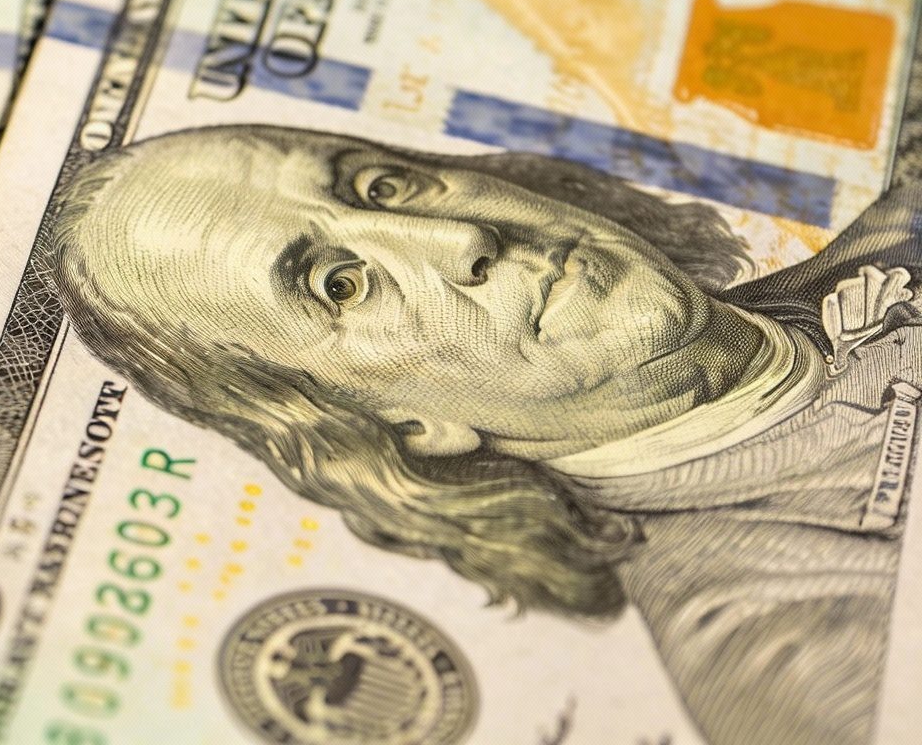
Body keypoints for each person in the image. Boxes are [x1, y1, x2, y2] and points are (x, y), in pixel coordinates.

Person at [46, 122, 921, 745]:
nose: (460, 237)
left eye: (379, 186)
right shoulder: (786, 640)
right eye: (343, 284)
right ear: (397, 426)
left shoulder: (895, 224)